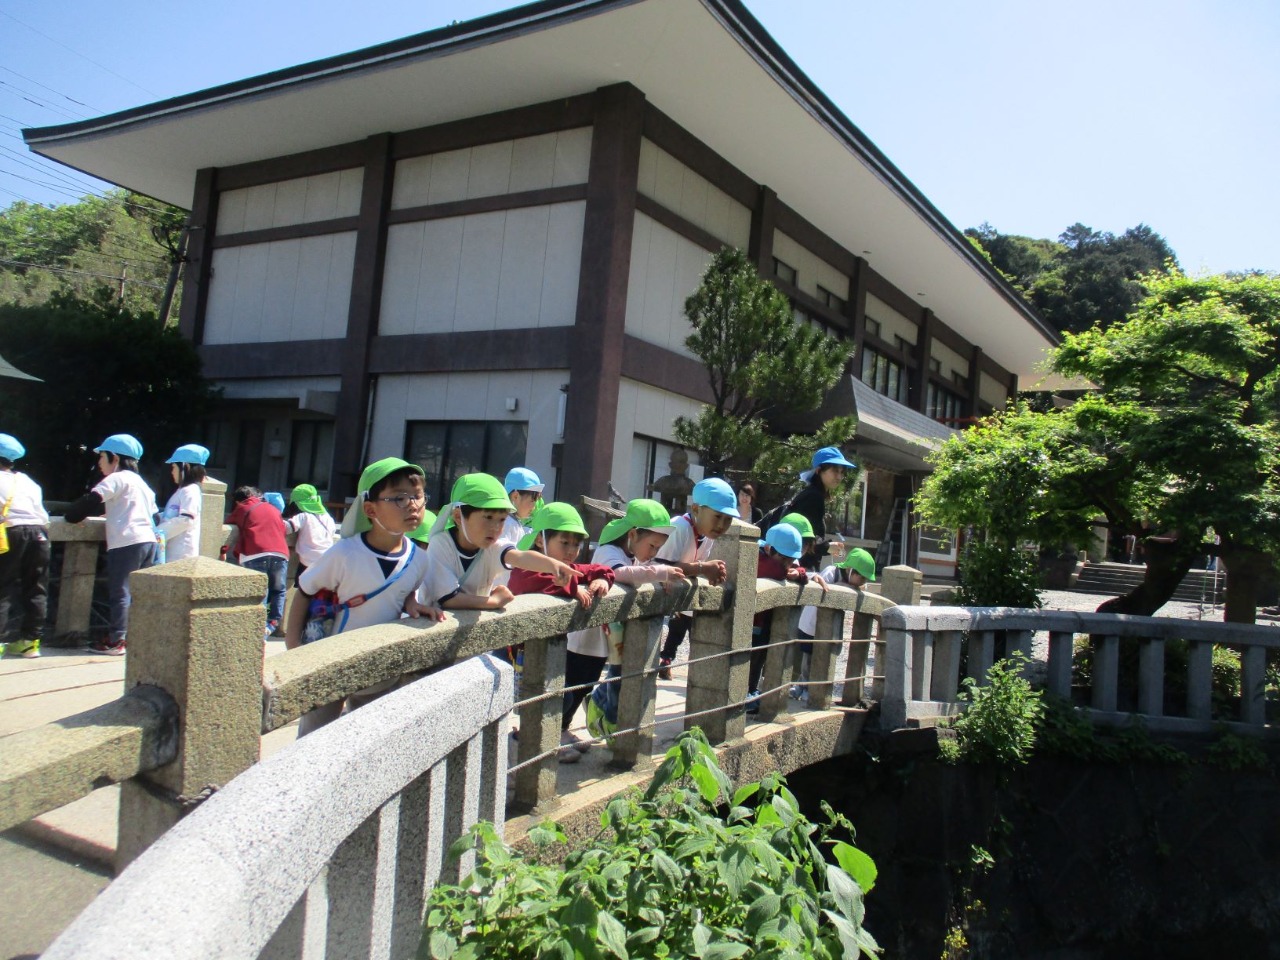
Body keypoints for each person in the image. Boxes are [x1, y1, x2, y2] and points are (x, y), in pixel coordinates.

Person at [284, 457, 444, 736]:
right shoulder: (344, 553)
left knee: (369, 736)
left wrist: (413, 604)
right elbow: (305, 591)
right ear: (370, 508)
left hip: (381, 664)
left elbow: (402, 591)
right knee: (315, 736)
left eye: (418, 496)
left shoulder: (420, 559)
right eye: (398, 498)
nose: (413, 504)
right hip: (330, 662)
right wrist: (293, 646)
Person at [506, 502, 616, 763]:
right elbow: (526, 581)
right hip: (522, 650)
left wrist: (602, 579)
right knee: (533, 699)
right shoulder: (527, 565)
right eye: (563, 543)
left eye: (575, 545)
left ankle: (548, 739)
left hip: (548, 647)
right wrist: (572, 587)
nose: (570, 551)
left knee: (553, 693)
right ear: (541, 542)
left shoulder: (567, 569)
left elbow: (599, 569)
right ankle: (525, 744)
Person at [582, 499, 687, 744]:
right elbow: (619, 573)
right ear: (632, 535)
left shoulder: (631, 553)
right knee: (596, 678)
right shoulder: (609, 552)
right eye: (652, 546)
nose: (653, 554)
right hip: (593, 631)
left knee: (618, 673)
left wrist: (658, 575)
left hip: (616, 628)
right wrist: (661, 573)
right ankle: (610, 726)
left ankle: (601, 707)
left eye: (658, 548)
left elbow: (641, 570)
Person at [418, 473, 577, 613]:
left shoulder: (491, 545)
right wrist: (492, 602)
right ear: (459, 517)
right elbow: (449, 599)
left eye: (502, 520)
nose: (495, 528)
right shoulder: (441, 544)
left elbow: (519, 557)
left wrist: (553, 566)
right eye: (488, 518)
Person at [64, 434, 159, 656]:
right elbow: (154, 515)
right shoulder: (142, 484)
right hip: (148, 541)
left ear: (114, 458)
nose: (99, 462)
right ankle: (136, 638)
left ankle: (117, 640)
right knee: (139, 593)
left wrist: (70, 517)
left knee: (121, 592)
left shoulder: (117, 479)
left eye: (102, 457)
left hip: (126, 542)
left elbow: (89, 502)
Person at [654, 477, 738, 679]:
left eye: (727, 520)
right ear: (696, 509)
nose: (721, 525)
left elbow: (691, 568)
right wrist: (703, 568)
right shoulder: (680, 528)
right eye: (717, 517)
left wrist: (710, 571)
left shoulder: (706, 535)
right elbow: (659, 567)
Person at [790, 547, 876, 703]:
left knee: (824, 657)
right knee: (809, 657)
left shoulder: (855, 584)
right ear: (852, 571)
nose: (864, 582)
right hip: (812, 621)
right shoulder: (831, 572)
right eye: (862, 578)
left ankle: (809, 687)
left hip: (831, 625)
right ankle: (804, 686)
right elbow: (824, 590)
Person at [748, 523, 810, 712]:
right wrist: (795, 573)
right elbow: (772, 570)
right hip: (750, 619)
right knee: (749, 658)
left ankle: (751, 692)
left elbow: (797, 571)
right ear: (768, 548)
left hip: (764, 619)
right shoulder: (757, 556)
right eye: (782, 559)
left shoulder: (775, 558)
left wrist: (798, 571)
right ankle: (746, 693)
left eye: (790, 561)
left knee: (760, 657)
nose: (786, 565)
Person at [0, 434, 50, 658]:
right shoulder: (28, 481)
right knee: (36, 587)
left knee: (2, 587)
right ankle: (31, 642)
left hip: (11, 532)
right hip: (39, 533)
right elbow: (42, 514)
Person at [227, 485, 290, 639]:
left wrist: (223, 551)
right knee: (279, 590)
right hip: (280, 553)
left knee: (260, 592)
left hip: (255, 553)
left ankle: (257, 631)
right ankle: (272, 623)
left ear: (239, 501)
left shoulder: (243, 508)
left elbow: (229, 523)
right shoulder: (273, 509)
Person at [786, 446, 856, 568]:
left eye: (841, 472)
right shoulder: (814, 497)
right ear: (818, 470)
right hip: (799, 567)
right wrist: (829, 548)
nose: (839, 477)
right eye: (834, 471)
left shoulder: (810, 493)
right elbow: (805, 542)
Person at [157, 444, 209, 563]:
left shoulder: (190, 490)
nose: (172, 472)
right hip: (173, 553)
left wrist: (158, 533)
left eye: (174, 467)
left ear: (185, 466)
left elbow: (186, 519)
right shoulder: (182, 491)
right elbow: (171, 514)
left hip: (181, 555)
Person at [283, 483, 338, 585]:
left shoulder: (303, 516)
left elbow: (286, 528)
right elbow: (333, 531)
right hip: (327, 561)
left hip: (308, 562)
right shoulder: (327, 517)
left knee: (301, 591)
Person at [501, 466, 544, 546]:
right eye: (532, 500)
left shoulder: (513, 522)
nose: (534, 507)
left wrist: (535, 536)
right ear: (515, 496)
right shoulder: (505, 524)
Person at [647, 446, 696, 515]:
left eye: (681, 462)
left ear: (670, 464)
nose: (679, 465)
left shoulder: (663, 481)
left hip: (663, 516)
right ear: (686, 466)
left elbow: (652, 486)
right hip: (679, 519)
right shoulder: (690, 484)